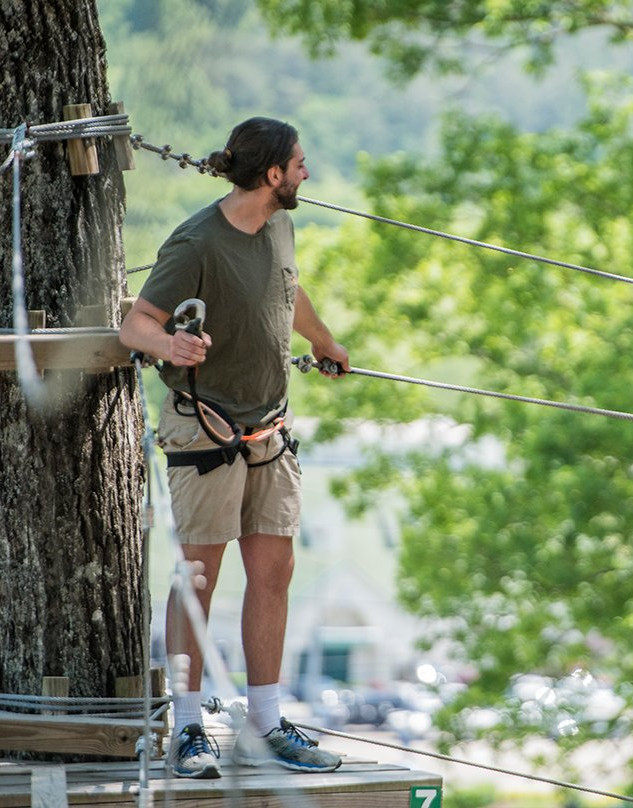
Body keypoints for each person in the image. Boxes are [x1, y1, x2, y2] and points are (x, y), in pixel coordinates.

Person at [120, 117, 349, 779]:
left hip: (269, 430)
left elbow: (287, 289)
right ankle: (187, 726)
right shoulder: (197, 242)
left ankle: (265, 723)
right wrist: (170, 344)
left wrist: (323, 341)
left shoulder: (280, 226)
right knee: (199, 578)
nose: (307, 172)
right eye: (299, 163)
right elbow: (136, 324)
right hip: (205, 429)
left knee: (274, 573)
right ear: (272, 174)